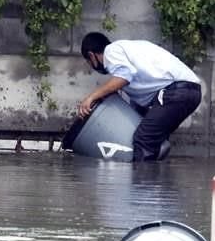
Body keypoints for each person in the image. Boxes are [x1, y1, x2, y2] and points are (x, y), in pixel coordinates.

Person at [77, 32, 202, 161]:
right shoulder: (130, 51)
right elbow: (137, 96)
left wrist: (91, 97)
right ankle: (155, 179)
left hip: (176, 91)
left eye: (88, 62)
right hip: (190, 92)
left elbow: (123, 77)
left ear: (91, 56)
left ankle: (140, 179)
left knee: (143, 139)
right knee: (154, 142)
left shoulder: (111, 51)